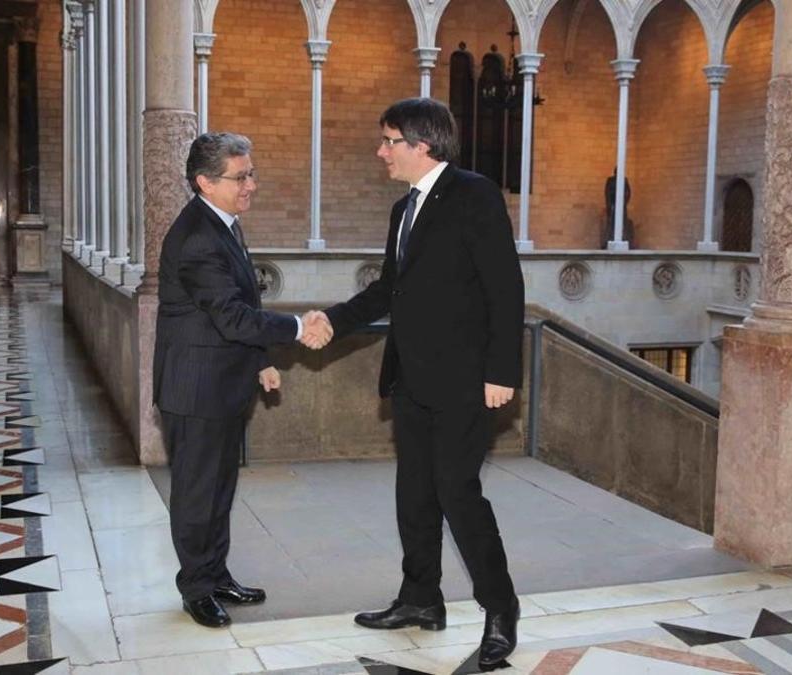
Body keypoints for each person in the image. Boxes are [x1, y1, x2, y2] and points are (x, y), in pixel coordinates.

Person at [304, 98, 524, 667]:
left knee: (458, 493)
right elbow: (388, 289)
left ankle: (501, 611)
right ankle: (421, 598)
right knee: (414, 497)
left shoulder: (474, 194)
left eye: (388, 141)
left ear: (421, 145)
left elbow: (504, 286)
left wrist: (502, 371)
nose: (381, 152)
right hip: (412, 378)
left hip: (466, 381)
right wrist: (333, 317)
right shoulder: (404, 209)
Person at [152, 132, 330, 628]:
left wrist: (260, 361)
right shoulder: (197, 240)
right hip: (195, 390)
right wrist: (298, 327)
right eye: (241, 176)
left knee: (221, 489)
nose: (251, 184)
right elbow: (231, 315)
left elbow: (238, 305)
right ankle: (196, 588)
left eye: (251, 172)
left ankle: (217, 574)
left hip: (224, 381)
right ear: (205, 182)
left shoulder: (224, 223)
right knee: (196, 492)